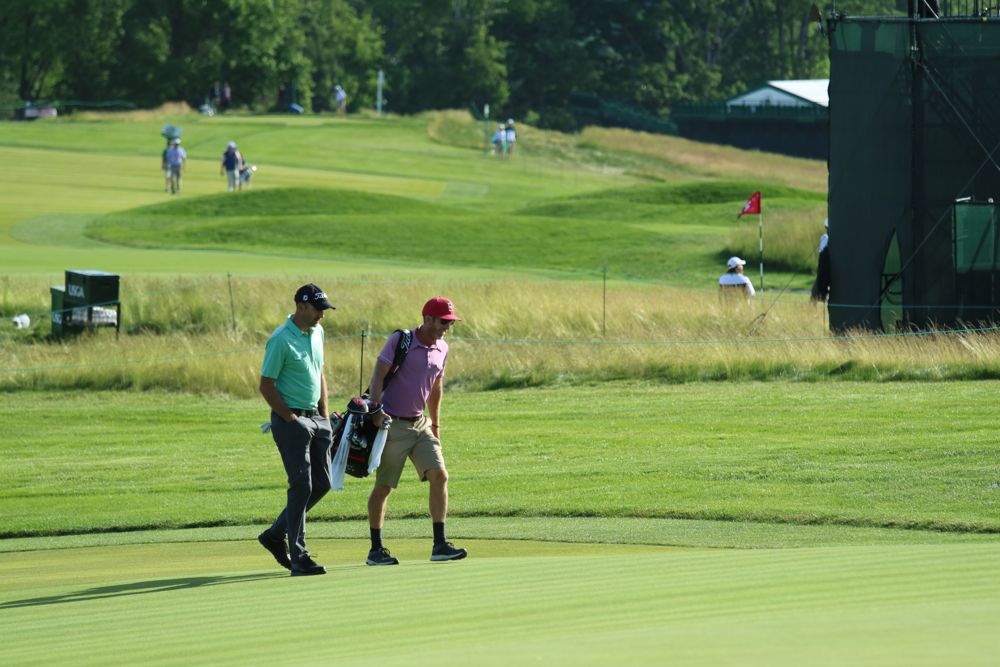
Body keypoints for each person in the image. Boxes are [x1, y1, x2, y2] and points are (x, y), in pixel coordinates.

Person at [364, 296, 467, 566]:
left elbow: (435, 387)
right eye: (443, 322)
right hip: (391, 423)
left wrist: (435, 423)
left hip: (420, 423)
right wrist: (375, 410)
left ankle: (440, 545)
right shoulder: (401, 340)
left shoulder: (442, 349)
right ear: (428, 319)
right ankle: (376, 549)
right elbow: (378, 374)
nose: (447, 327)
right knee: (384, 487)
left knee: (440, 475)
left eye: (450, 322)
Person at [257, 284, 337, 576]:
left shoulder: (317, 333)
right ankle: (299, 557)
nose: (322, 316)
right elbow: (266, 385)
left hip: (317, 418)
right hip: (291, 421)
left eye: (324, 310)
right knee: (301, 484)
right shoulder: (280, 340)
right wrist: (291, 419)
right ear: (301, 306)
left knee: (323, 484)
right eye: (318, 309)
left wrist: (325, 417)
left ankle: (274, 535)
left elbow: (320, 374)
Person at [811, 218, 832, 302]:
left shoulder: (824, 238)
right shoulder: (825, 238)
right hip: (826, 265)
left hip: (825, 267)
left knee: (815, 290)